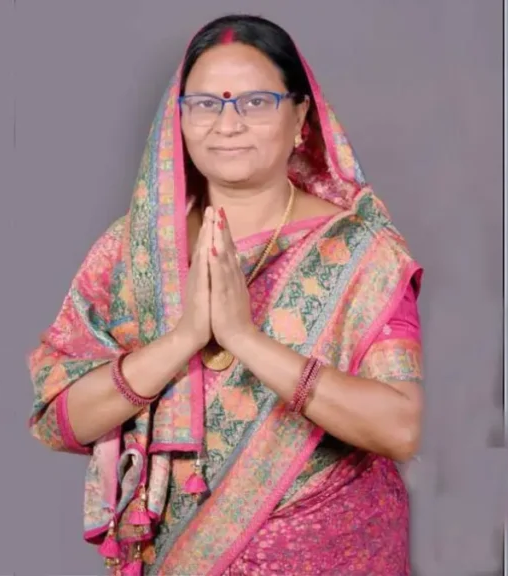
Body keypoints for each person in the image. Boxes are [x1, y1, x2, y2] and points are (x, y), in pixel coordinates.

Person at [27, 13, 424, 576]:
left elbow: (400, 429)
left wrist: (242, 337)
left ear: (300, 118)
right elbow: (58, 421)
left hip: (337, 553)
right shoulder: (133, 252)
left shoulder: (361, 252)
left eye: (256, 102)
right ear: (179, 119)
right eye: (205, 104)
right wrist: (184, 338)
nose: (227, 124)